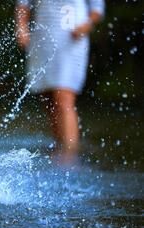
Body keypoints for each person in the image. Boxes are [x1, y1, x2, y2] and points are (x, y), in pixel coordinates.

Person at [15, 0, 105, 165]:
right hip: (42, 40)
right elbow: (23, 4)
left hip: (71, 40)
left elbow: (97, 9)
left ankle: (70, 156)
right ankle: (59, 147)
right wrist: (21, 28)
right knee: (47, 98)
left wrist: (87, 24)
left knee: (63, 98)